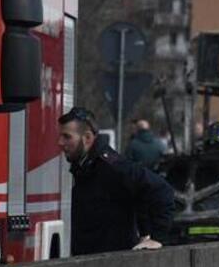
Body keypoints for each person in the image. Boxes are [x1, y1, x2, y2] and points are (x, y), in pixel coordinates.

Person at [58, 107, 175, 256]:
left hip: (110, 265)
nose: (60, 142)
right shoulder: (83, 167)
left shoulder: (112, 167)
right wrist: (144, 230)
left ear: (87, 138)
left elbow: (162, 191)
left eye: (67, 137)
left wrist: (158, 238)